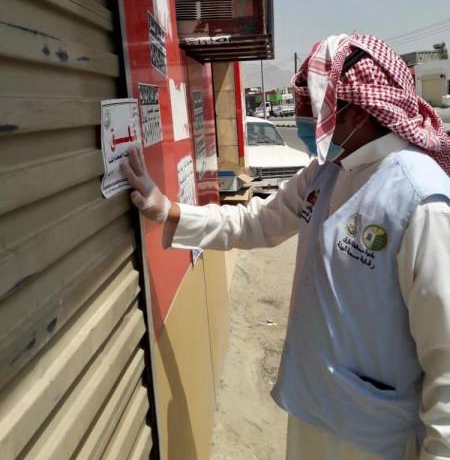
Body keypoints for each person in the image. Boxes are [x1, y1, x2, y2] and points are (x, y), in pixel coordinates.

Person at [122, 32, 450, 460]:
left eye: (311, 107)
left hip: (375, 437)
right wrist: (169, 211)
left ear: (358, 112)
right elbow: (255, 222)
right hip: (312, 410)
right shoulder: (325, 173)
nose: (303, 121)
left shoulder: (420, 199)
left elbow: (446, 354)